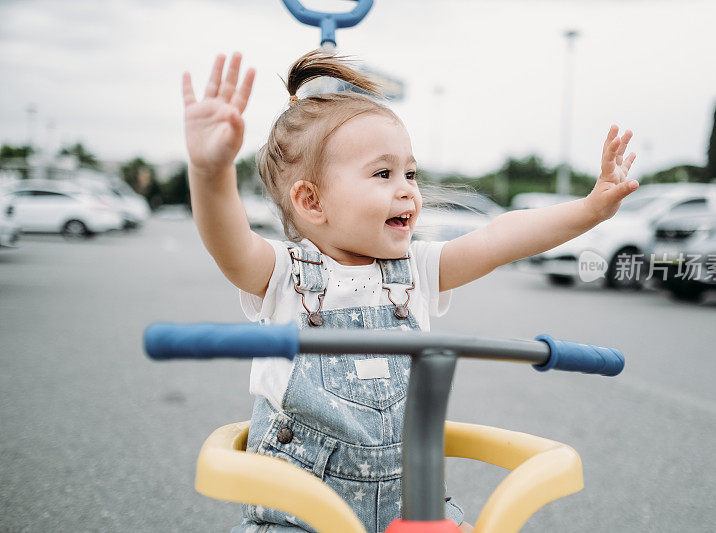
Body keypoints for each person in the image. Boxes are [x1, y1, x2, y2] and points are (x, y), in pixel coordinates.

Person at [181, 49, 637, 533]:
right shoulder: (285, 275)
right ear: (311, 201)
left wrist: (590, 209)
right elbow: (229, 244)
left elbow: (500, 238)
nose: (408, 190)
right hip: (299, 518)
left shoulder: (414, 272)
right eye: (384, 174)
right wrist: (211, 174)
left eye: (411, 173)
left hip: (411, 509)